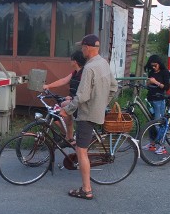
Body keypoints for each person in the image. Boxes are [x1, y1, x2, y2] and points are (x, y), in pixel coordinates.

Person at [60, 34, 118, 200]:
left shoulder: (89, 68)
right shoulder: (103, 63)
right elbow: (114, 87)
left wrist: (67, 110)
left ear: (88, 48)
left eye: (83, 46)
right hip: (97, 111)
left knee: (81, 150)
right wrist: (102, 102)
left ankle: (86, 190)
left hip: (87, 113)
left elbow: (82, 95)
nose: (81, 49)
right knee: (82, 147)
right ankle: (86, 187)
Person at [42, 50, 86, 144]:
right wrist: (48, 86)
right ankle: (66, 134)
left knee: (62, 108)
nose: (70, 62)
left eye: (71, 60)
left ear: (75, 62)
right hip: (73, 100)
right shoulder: (75, 73)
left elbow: (84, 90)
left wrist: (72, 98)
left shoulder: (84, 74)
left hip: (80, 102)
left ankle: (69, 137)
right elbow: (63, 81)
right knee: (56, 110)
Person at [143, 54, 170, 152]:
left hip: (159, 99)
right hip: (150, 98)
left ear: (159, 64)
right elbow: (147, 85)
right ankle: (152, 144)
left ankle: (162, 146)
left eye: (155, 65)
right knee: (150, 122)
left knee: (158, 122)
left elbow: (167, 87)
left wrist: (156, 82)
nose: (154, 67)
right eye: (152, 66)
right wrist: (148, 82)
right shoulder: (151, 72)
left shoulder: (165, 72)